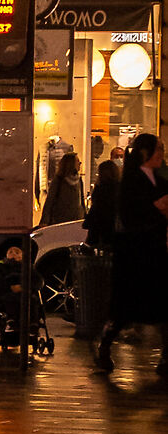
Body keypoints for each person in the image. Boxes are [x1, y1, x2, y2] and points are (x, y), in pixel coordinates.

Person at [96, 132, 168, 377]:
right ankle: (105, 346)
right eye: (159, 149)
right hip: (135, 255)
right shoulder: (131, 182)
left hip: (155, 252)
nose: (162, 154)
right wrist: (156, 210)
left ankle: (165, 358)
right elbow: (130, 215)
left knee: (162, 307)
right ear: (146, 153)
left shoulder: (159, 179)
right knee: (126, 308)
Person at [42, 147, 85, 225]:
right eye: (77, 161)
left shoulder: (79, 180)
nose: (80, 163)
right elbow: (49, 201)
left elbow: (81, 201)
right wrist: (44, 221)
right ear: (71, 163)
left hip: (76, 221)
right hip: (60, 221)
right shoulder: (59, 180)